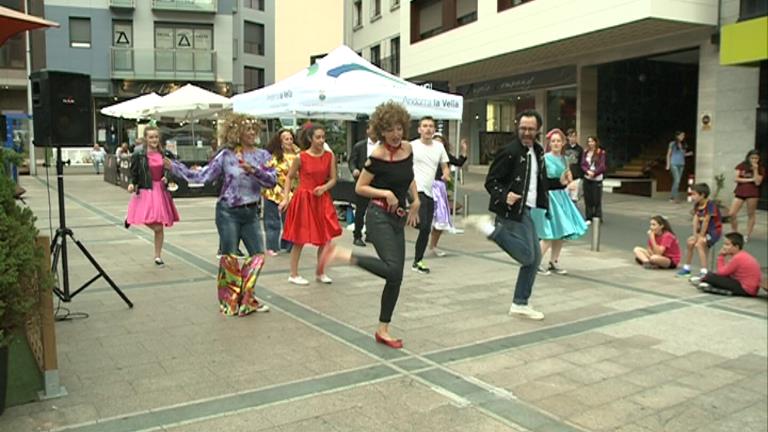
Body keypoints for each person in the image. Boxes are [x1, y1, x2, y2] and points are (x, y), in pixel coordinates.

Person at [311, 101, 420, 349]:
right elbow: (360, 188)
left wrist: (416, 200)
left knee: (396, 277)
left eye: (399, 129)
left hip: (397, 218)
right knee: (393, 269)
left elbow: (409, 175)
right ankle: (342, 255)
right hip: (378, 216)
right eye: (390, 129)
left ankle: (383, 329)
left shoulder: (407, 149)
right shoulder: (377, 156)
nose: (396, 134)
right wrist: (385, 194)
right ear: (381, 131)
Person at [169, 113, 276, 315]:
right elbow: (203, 176)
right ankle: (229, 301)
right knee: (230, 258)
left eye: (254, 129)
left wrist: (252, 170)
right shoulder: (227, 155)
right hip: (228, 212)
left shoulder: (263, 156)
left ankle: (247, 298)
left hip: (252, 212)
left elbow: (272, 181)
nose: (252, 132)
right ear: (236, 132)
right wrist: (174, 167)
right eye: (247, 129)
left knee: (257, 256)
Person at [465, 109, 549, 320]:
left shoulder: (538, 151)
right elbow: (491, 181)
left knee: (534, 259)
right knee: (527, 256)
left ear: (538, 129)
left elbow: (539, 180)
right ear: (517, 128)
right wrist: (505, 196)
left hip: (527, 210)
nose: (526, 132)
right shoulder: (510, 151)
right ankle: (490, 229)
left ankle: (520, 303)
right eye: (523, 128)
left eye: (531, 129)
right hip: (511, 211)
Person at [280, 124, 342, 285]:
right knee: (299, 238)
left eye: (323, 137)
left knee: (325, 237)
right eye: (318, 137)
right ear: (310, 139)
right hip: (304, 198)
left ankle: (320, 272)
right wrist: (286, 197)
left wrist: (324, 187)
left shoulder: (329, 156)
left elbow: (334, 179)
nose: (321, 140)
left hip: (322, 198)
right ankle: (293, 274)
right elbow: (289, 177)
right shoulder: (301, 157)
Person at [532, 128, 588, 275]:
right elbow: (541, 180)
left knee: (561, 232)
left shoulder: (564, 159)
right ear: (549, 143)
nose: (556, 143)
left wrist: (569, 183)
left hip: (561, 197)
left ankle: (553, 262)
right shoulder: (545, 158)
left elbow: (566, 179)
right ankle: (535, 263)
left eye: (558, 141)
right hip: (549, 197)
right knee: (548, 234)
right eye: (553, 141)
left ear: (563, 143)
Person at [126, 127, 180, 266]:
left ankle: (158, 256)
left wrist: (166, 177)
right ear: (145, 138)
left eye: (156, 137)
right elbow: (134, 172)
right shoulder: (139, 154)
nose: (154, 140)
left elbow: (170, 169)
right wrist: (132, 184)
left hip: (160, 191)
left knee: (159, 227)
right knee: (152, 223)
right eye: (151, 137)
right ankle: (133, 216)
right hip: (145, 190)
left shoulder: (164, 153)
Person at [410, 116, 450, 274]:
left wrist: (446, 174)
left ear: (434, 130)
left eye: (431, 126)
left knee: (425, 228)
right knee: (424, 225)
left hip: (429, 191)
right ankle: (417, 260)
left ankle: (417, 261)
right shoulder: (411, 146)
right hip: (414, 188)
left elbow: (445, 166)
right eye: (424, 126)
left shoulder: (439, 147)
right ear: (419, 129)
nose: (427, 129)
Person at [428, 133, 468, 257]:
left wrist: (464, 150)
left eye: (440, 142)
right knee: (428, 220)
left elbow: (459, 162)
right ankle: (429, 245)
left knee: (441, 220)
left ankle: (432, 246)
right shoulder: (425, 154)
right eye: (435, 142)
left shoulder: (445, 156)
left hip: (439, 187)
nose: (438, 145)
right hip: (426, 187)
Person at [262, 129, 299, 256]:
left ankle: (288, 244)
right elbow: (267, 172)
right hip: (274, 191)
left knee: (291, 221)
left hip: (292, 193)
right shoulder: (274, 156)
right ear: (280, 142)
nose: (289, 141)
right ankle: (271, 246)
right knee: (272, 221)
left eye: (291, 139)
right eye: (286, 139)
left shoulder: (298, 155)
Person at [693, 232, 762, 296]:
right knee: (713, 276)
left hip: (745, 289)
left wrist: (721, 256)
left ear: (736, 247)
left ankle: (703, 280)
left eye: (727, 244)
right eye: (724, 244)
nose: (724, 247)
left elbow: (721, 272)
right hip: (750, 288)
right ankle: (705, 280)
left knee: (710, 276)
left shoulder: (738, 258)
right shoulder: (742, 255)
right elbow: (727, 272)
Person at [676, 183, 722, 278]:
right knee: (690, 242)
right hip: (702, 232)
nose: (692, 197)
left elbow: (706, 221)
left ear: (702, 195)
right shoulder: (697, 205)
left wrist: (700, 236)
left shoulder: (710, 205)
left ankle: (704, 271)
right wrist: (695, 235)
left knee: (699, 244)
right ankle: (686, 268)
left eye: (694, 194)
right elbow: (695, 220)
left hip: (714, 232)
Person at [349, 125, 378, 247]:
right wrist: (354, 170)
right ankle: (357, 235)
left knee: (375, 210)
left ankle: (371, 234)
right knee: (361, 210)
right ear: (367, 131)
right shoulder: (360, 146)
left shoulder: (383, 146)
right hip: (363, 181)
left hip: (378, 182)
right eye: (372, 129)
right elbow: (352, 161)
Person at [728, 150, 763, 242]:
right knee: (732, 213)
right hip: (740, 191)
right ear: (748, 157)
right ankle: (734, 232)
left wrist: (755, 169)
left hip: (752, 193)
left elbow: (757, 182)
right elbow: (736, 178)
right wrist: (750, 179)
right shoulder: (742, 165)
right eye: (752, 158)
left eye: (756, 158)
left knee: (750, 213)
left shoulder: (761, 168)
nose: (754, 160)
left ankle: (747, 234)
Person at [581, 136, 606, 224]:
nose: (590, 143)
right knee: (588, 198)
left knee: (596, 199)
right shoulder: (585, 152)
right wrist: (587, 171)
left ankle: (597, 216)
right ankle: (589, 217)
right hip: (587, 177)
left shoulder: (600, 152)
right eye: (589, 141)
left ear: (595, 142)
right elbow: (583, 164)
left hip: (597, 179)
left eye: (592, 141)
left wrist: (594, 173)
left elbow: (602, 166)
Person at [666, 131, 693, 203]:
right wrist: (668, 164)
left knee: (677, 181)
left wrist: (688, 154)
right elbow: (668, 154)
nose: (682, 137)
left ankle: (673, 197)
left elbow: (683, 154)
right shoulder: (672, 144)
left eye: (683, 136)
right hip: (673, 163)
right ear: (677, 136)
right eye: (681, 135)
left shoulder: (684, 144)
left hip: (681, 164)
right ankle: (673, 197)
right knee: (677, 180)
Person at [563, 128, 584, 208]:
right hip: (565, 177)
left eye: (574, 136)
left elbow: (581, 163)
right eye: (571, 136)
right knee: (565, 198)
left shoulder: (580, 149)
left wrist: (581, 175)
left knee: (574, 198)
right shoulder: (564, 148)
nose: (573, 138)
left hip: (576, 177)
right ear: (568, 137)